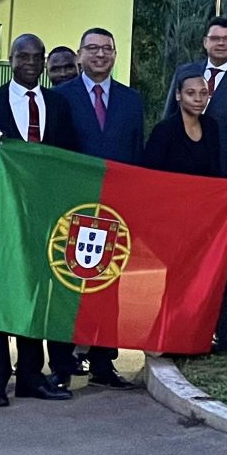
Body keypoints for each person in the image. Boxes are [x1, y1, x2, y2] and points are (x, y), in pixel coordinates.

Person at [0, 33, 80, 405]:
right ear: (10, 60)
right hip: (0, 213)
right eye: (22, 56)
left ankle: (30, 377)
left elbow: (71, 155)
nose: (29, 63)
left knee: (35, 294)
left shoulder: (58, 105)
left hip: (44, 214)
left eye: (35, 57)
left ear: (44, 62)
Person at [49, 26, 146, 387]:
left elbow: (136, 154)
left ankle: (104, 364)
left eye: (107, 48)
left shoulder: (131, 100)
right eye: (92, 48)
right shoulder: (60, 97)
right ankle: (61, 366)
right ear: (80, 55)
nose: (100, 54)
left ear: (115, 54)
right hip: (73, 206)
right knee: (66, 286)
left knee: (109, 286)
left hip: (115, 209)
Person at [167, 17, 227, 182]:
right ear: (205, 42)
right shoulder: (184, 72)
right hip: (181, 164)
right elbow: (169, 114)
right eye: (215, 38)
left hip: (224, 168)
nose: (221, 43)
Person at [142, 67, 226, 178]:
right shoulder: (164, 130)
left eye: (203, 93)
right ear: (178, 95)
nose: (198, 99)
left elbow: (216, 173)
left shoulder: (211, 127)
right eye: (190, 93)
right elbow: (149, 173)